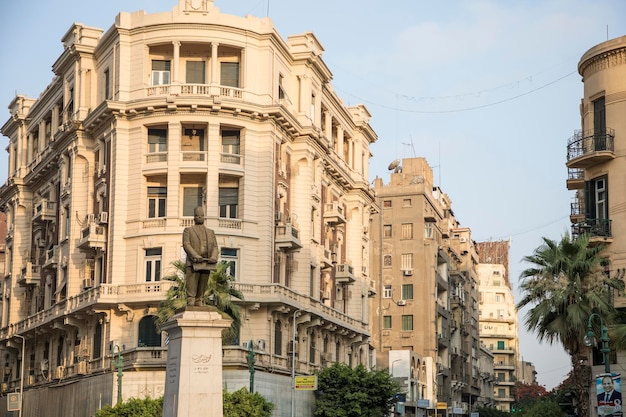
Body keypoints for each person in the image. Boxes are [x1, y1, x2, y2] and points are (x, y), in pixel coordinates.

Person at [182, 206, 219, 306]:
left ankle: (200, 299)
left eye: (201, 216)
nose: (199, 217)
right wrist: (195, 255)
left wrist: (214, 257)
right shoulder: (188, 230)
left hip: (207, 262)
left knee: (203, 282)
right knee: (192, 282)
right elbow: (186, 244)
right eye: (197, 216)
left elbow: (215, 246)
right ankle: (191, 299)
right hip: (193, 261)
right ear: (194, 217)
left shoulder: (211, 232)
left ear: (204, 217)